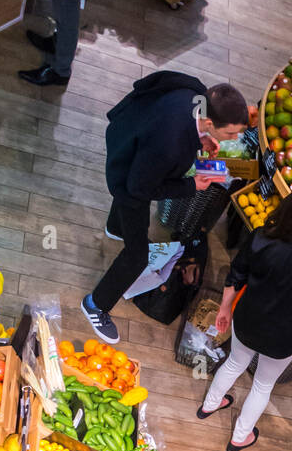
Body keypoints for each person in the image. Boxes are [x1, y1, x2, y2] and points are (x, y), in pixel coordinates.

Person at [80, 72, 249, 344]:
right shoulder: (170, 145)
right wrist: (192, 186)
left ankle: (115, 227)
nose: (231, 138)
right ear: (208, 121)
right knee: (138, 256)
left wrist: (201, 140)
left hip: (127, 132)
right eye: (229, 132)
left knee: (127, 202)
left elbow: (149, 83)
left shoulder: (195, 92)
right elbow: (141, 189)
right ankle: (96, 305)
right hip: (129, 176)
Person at [196, 180, 292, 451]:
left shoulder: (262, 236)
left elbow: (236, 275)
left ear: (290, 202)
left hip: (248, 318)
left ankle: (210, 405)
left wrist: (225, 308)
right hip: (284, 335)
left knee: (234, 363)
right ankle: (240, 436)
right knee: (263, 384)